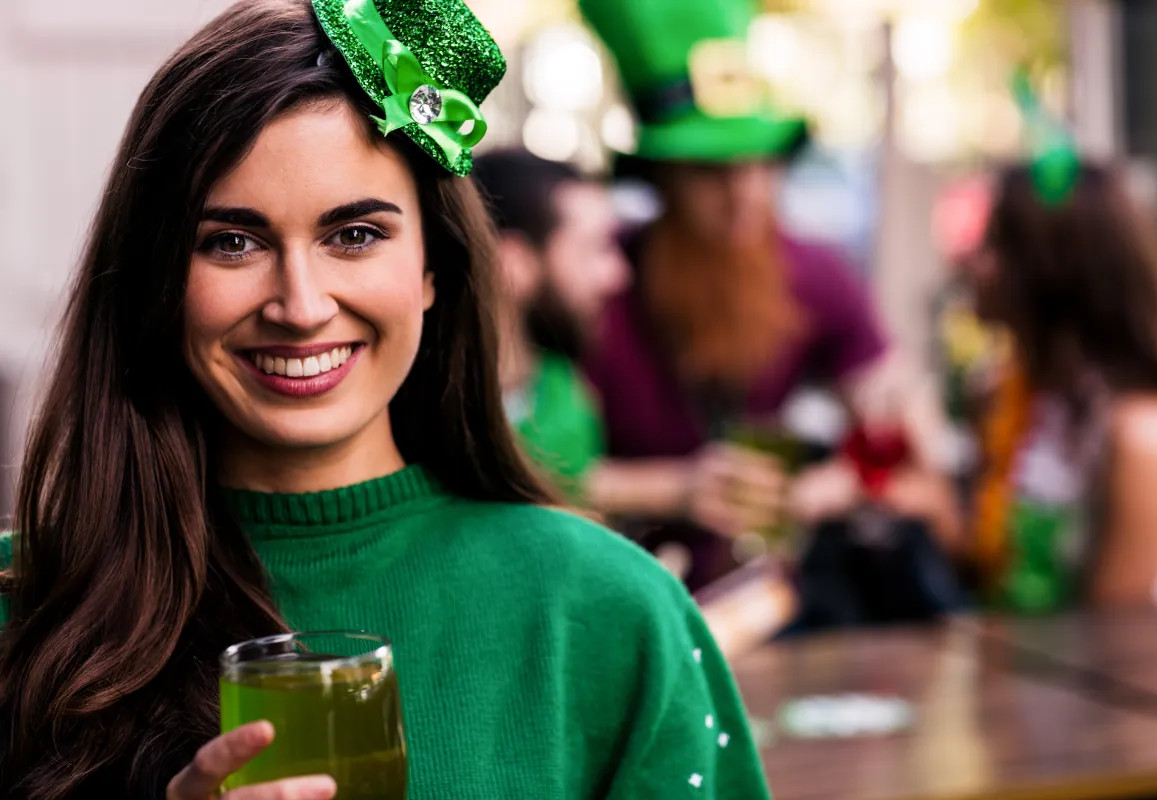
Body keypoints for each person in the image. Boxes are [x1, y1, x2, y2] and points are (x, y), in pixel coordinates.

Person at [0, 1, 770, 796]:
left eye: (355, 235)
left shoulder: (609, 612)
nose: (300, 306)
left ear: (435, 269)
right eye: (232, 242)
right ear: (156, 280)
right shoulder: (30, 612)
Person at [578, 0, 960, 589]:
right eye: (711, 170)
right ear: (661, 177)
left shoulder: (810, 272)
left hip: (766, 596)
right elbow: (523, 470)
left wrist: (816, 491)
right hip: (622, 590)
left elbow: (909, 433)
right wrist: (674, 487)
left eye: (762, 163)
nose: (745, 194)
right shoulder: (599, 278)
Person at [970, 162, 1157, 611]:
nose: (974, 263)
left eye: (995, 243)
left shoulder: (1145, 432)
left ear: (1054, 267)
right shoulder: (1027, 401)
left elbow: (1112, 643)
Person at [472, 150, 628, 499]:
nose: (616, 275)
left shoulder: (562, 389)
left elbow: (574, 482)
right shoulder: (427, 414)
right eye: (594, 248)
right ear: (510, 263)